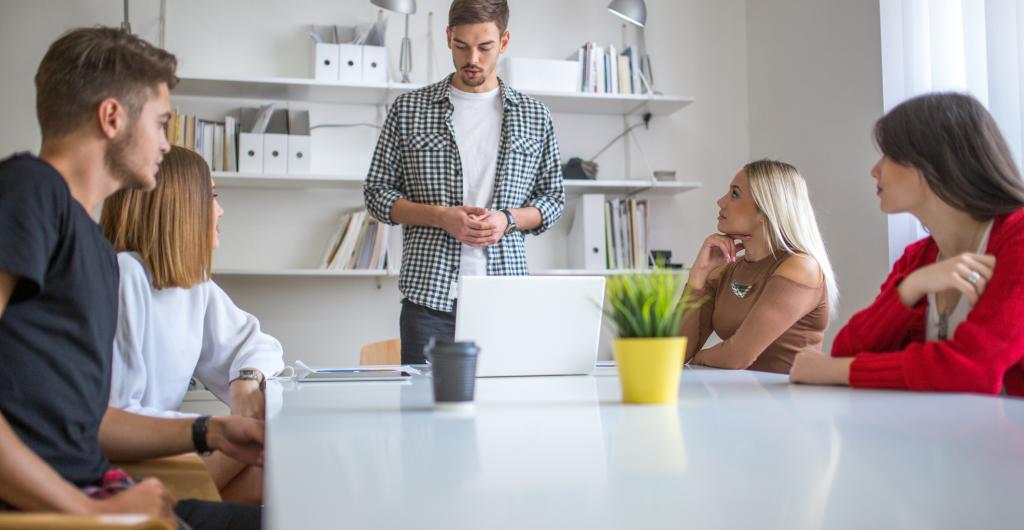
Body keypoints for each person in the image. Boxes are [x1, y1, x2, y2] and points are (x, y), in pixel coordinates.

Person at [0, 27, 262, 528]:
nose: (166, 145)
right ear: (113, 117)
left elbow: (93, 422)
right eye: (161, 123)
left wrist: (214, 431)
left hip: (103, 491)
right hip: (66, 510)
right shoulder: (28, 191)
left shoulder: (95, 250)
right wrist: (86, 510)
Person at [364, 0, 565, 364]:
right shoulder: (409, 110)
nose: (472, 58)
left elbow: (553, 199)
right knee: (424, 412)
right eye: (462, 46)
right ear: (448, 37)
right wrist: (442, 217)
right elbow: (377, 194)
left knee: (505, 412)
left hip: (505, 295)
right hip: (428, 299)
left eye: (485, 47)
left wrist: (507, 219)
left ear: (503, 42)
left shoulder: (536, 116)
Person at [790, 92, 1024, 396]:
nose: (875, 170)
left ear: (933, 161)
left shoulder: (1017, 239)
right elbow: (848, 346)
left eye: (888, 155)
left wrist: (838, 372)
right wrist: (909, 290)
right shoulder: (920, 258)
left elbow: (972, 369)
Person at [100, 145, 284, 504]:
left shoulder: (191, 283)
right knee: (280, 463)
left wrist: (244, 381)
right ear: (179, 204)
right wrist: (215, 429)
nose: (220, 209)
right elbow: (115, 413)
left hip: (171, 458)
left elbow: (258, 343)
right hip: (134, 469)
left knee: (278, 471)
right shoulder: (125, 276)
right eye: (211, 195)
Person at [680, 160, 838, 373]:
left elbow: (736, 356)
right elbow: (677, 352)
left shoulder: (801, 268)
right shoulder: (725, 269)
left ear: (766, 210)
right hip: (742, 398)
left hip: (792, 401)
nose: (720, 202)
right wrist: (697, 277)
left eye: (734, 194)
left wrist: (698, 359)